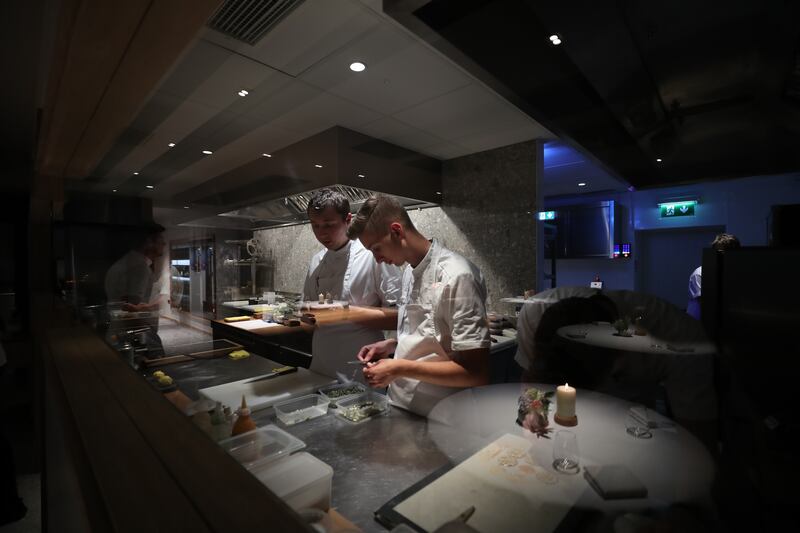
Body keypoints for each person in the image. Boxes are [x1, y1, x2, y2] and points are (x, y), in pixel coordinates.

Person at [348, 194, 491, 416]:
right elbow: (430, 336)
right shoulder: (408, 272)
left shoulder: (457, 276)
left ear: (396, 231)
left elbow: (476, 373)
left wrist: (398, 367)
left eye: (376, 248)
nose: (376, 259)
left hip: (443, 415)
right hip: (401, 407)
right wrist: (392, 345)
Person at [302, 188, 401, 379]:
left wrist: (346, 313)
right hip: (320, 366)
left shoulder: (373, 255)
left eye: (329, 225)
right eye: (315, 225)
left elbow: (399, 317)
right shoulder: (316, 261)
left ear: (348, 219)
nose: (321, 233)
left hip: (358, 368)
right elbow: (308, 317)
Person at [104, 223, 167, 354]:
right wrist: (152, 341)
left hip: (120, 334)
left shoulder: (129, 262)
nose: (164, 244)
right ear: (149, 242)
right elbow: (130, 310)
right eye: (160, 240)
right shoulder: (140, 267)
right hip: (129, 338)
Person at [687, 233, 740, 319]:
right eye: (719, 253)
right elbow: (707, 306)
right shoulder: (700, 273)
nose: (722, 256)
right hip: (698, 326)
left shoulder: (732, 273)